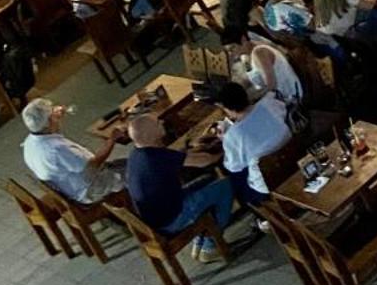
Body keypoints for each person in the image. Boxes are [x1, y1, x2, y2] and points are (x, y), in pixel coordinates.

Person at [125, 112, 242, 263]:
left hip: (157, 216)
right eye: (157, 123)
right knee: (224, 185)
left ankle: (202, 235)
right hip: (173, 219)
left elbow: (178, 158)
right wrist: (223, 148)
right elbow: (204, 162)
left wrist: (194, 151)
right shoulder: (156, 157)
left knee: (207, 179)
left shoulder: (137, 155)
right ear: (149, 134)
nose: (162, 122)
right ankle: (210, 245)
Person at [20, 97, 124, 202]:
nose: (56, 109)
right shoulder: (57, 149)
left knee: (123, 163)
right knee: (134, 169)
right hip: (89, 188)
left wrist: (56, 119)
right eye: (52, 111)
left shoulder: (29, 143)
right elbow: (93, 165)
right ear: (49, 121)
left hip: (72, 186)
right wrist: (112, 139)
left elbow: (51, 132)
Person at [213, 81, 292, 208]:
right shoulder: (268, 104)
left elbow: (234, 166)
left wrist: (225, 140)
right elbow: (282, 111)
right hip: (292, 156)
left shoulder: (233, 135)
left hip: (269, 181)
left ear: (227, 108)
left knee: (236, 175)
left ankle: (256, 211)